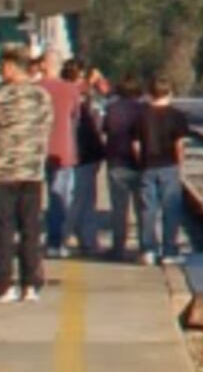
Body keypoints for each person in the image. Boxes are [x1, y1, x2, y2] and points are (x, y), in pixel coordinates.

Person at [0, 46, 53, 303]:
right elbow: (47, 124)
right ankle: (31, 284)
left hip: (4, 171)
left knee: (2, 230)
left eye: (1, 67)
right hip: (33, 171)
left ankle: (2, 285)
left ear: (10, 67)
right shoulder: (42, 97)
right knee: (31, 228)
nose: (0, 71)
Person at [137, 80, 193, 265]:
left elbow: (135, 145)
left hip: (147, 166)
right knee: (171, 209)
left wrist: (141, 162)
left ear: (150, 94)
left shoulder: (141, 115)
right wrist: (180, 165)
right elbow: (179, 144)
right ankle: (169, 252)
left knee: (148, 209)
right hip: (169, 165)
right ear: (169, 93)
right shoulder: (177, 116)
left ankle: (148, 250)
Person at [96, 74, 147, 260]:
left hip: (116, 161)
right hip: (140, 163)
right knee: (142, 208)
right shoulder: (144, 110)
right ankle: (145, 246)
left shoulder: (112, 109)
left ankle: (118, 247)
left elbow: (105, 131)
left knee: (119, 209)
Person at [40, 54, 86, 254]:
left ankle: (38, 239)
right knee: (59, 197)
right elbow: (77, 118)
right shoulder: (70, 90)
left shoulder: (34, 89)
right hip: (63, 151)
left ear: (42, 66)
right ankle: (56, 242)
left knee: (31, 198)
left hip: (35, 151)